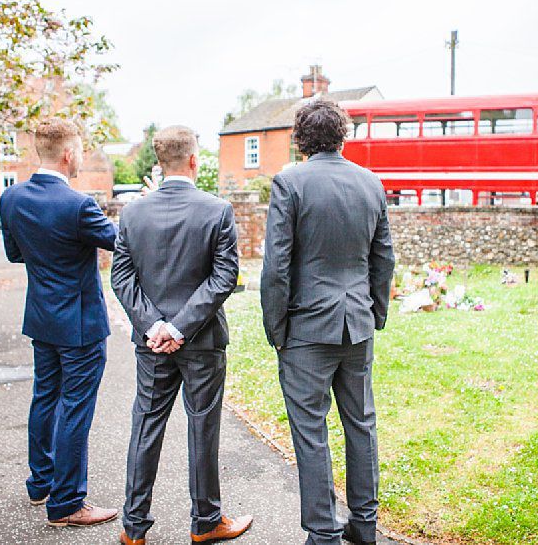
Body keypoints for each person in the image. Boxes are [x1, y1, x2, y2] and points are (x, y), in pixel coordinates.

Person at [261, 99, 395, 545]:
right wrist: (375, 313)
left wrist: (277, 329)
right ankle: (365, 525)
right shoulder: (371, 183)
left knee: (310, 431)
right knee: (361, 423)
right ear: (342, 136)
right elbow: (383, 259)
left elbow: (276, 265)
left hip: (306, 329)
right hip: (356, 324)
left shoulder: (290, 182)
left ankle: (323, 533)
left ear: (300, 138)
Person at [111, 125, 252, 545]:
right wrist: (178, 327)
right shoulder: (217, 210)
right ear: (193, 160)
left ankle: (134, 527)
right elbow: (224, 277)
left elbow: (121, 276)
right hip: (202, 341)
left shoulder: (132, 213)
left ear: (159, 163)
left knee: (146, 426)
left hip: (152, 343)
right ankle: (205, 522)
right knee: (203, 427)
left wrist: (155, 326)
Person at [0, 119, 119, 528]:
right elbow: (121, 241)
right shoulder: (79, 205)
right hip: (80, 324)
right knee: (75, 408)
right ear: (68, 154)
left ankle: (41, 484)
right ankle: (67, 503)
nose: (81, 157)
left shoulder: (11, 198)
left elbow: (15, 253)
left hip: (41, 317)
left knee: (45, 398)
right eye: (80, 150)